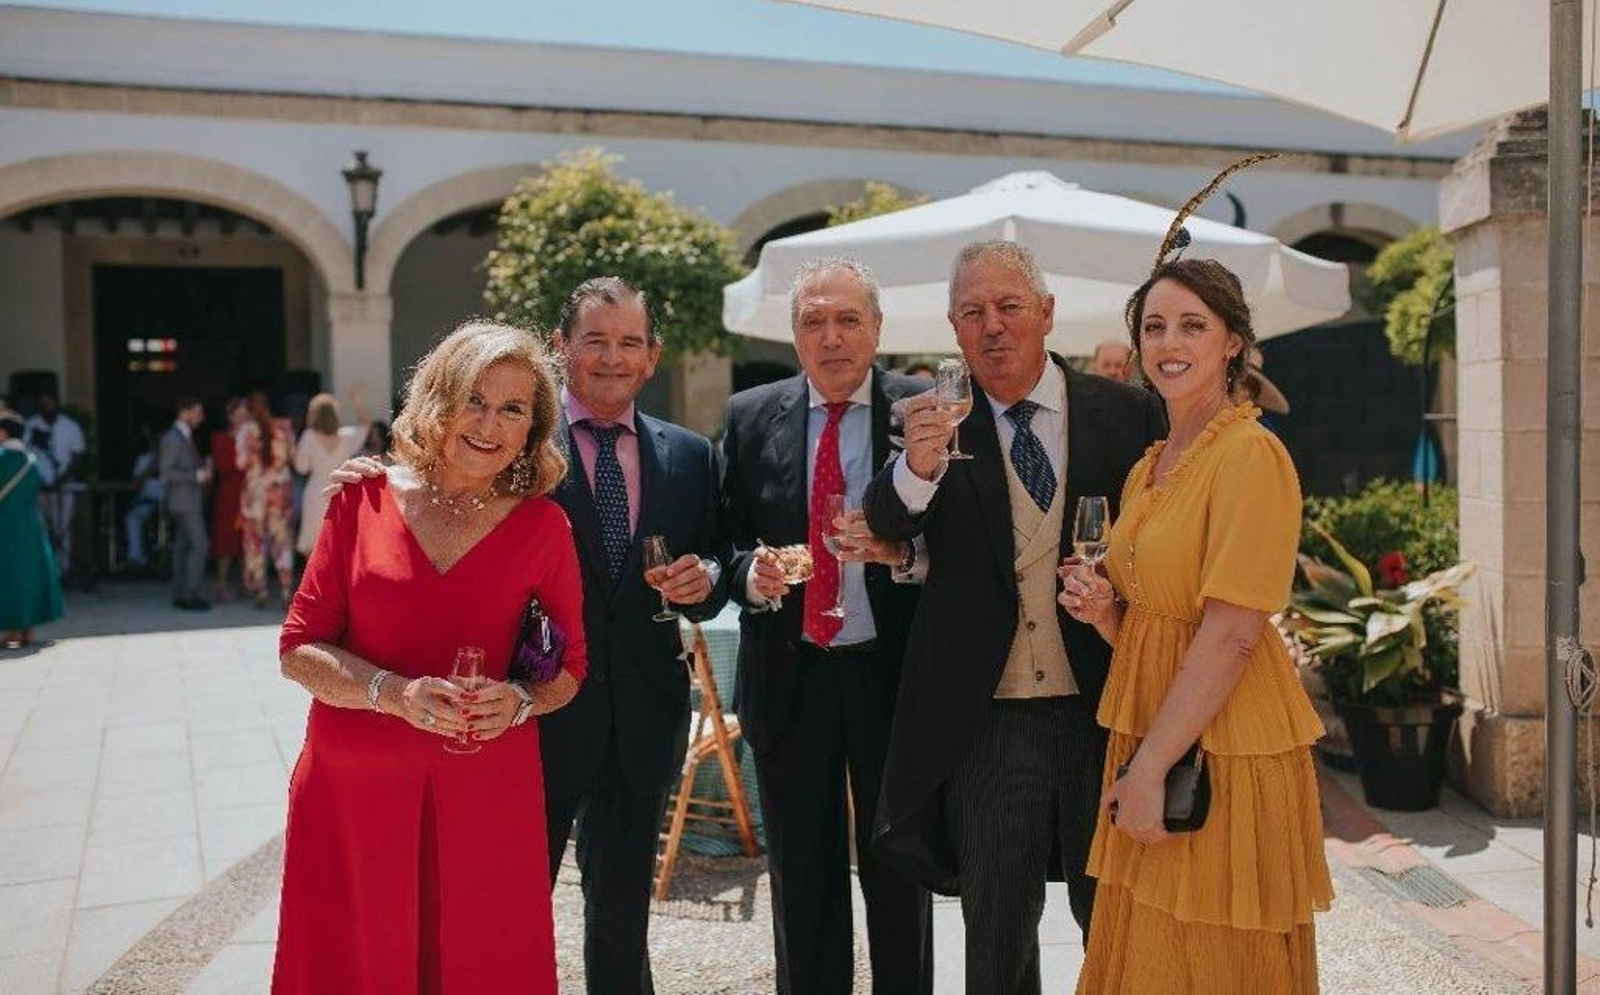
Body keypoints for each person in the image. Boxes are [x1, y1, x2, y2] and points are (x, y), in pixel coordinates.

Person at [862, 240, 1165, 993]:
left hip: (1105, 710)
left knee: (1119, 926)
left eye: (1009, 306)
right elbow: (886, 520)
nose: (992, 325)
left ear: (1047, 313)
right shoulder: (930, 420)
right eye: (973, 312)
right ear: (953, 328)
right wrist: (919, 465)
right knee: (996, 936)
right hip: (988, 720)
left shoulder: (1127, 413)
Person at [274, 320, 584, 993]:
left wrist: (522, 698)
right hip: (354, 794)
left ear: (532, 430)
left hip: (486, 794)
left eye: (512, 409)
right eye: (475, 399)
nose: (489, 424)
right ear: (439, 400)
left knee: (480, 967)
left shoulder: (545, 527)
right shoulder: (360, 501)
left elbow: (569, 667)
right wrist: (391, 692)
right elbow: (298, 648)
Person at [1058, 258, 1331, 993]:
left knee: (1210, 964)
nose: (1168, 343)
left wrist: (1149, 769)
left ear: (1232, 342)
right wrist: (1108, 612)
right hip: (1159, 731)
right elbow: (1159, 629)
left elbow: (1234, 633)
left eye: (1191, 325)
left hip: (1223, 749)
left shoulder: (1249, 454)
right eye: (1153, 326)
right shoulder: (1151, 464)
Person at [720, 257, 932, 994]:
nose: (832, 337)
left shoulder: (921, 413)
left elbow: (962, 542)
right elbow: (727, 539)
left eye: (848, 319)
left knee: (900, 878)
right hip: (792, 672)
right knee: (802, 883)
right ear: (794, 334)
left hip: (891, 676)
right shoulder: (750, 416)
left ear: (876, 328)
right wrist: (750, 573)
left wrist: (901, 553)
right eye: (815, 321)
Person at [0, 407, 64, 649]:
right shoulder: (32, 459)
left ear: (4, 433)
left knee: (9, 574)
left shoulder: (2, 457)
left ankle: (12, 630)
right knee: (30, 573)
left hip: (5, 522)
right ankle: (27, 629)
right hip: (30, 522)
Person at [236, 391, 296, 608]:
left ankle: (260, 589)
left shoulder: (246, 430)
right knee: (282, 541)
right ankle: (285, 588)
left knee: (255, 542)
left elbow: (240, 463)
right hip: (279, 492)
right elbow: (293, 457)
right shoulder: (285, 427)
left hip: (255, 493)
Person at [293, 391, 368, 558]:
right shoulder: (346, 436)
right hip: (339, 490)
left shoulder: (309, 436)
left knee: (312, 545)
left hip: (315, 493)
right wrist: (357, 402)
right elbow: (365, 426)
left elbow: (301, 468)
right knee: (339, 543)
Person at [24, 389, 85, 573]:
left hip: (63, 485)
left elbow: (77, 455)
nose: (47, 408)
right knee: (42, 528)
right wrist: (38, 480)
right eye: (43, 405)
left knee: (62, 528)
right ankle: (44, 569)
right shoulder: (31, 426)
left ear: (57, 404)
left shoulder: (70, 426)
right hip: (40, 486)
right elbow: (25, 454)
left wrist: (62, 478)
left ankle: (63, 569)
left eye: (50, 404)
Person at [160, 397, 212, 611]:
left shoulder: (182, 435)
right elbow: (166, 473)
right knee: (200, 546)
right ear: (185, 412)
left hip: (185, 501)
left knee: (183, 548)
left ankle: (181, 594)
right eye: (197, 413)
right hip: (183, 502)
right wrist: (196, 476)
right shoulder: (173, 438)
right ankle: (190, 594)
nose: (201, 418)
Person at [210, 397, 250, 601]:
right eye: (239, 415)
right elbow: (223, 466)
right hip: (229, 495)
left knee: (247, 541)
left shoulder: (253, 439)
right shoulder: (220, 438)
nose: (243, 419)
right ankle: (221, 585)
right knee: (226, 541)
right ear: (230, 417)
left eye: (246, 415)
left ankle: (246, 584)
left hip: (249, 494)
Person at [124, 432, 162, 570]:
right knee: (132, 518)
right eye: (156, 441)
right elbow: (135, 485)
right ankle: (136, 558)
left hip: (173, 503)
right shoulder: (143, 459)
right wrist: (151, 468)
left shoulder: (176, 458)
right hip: (148, 502)